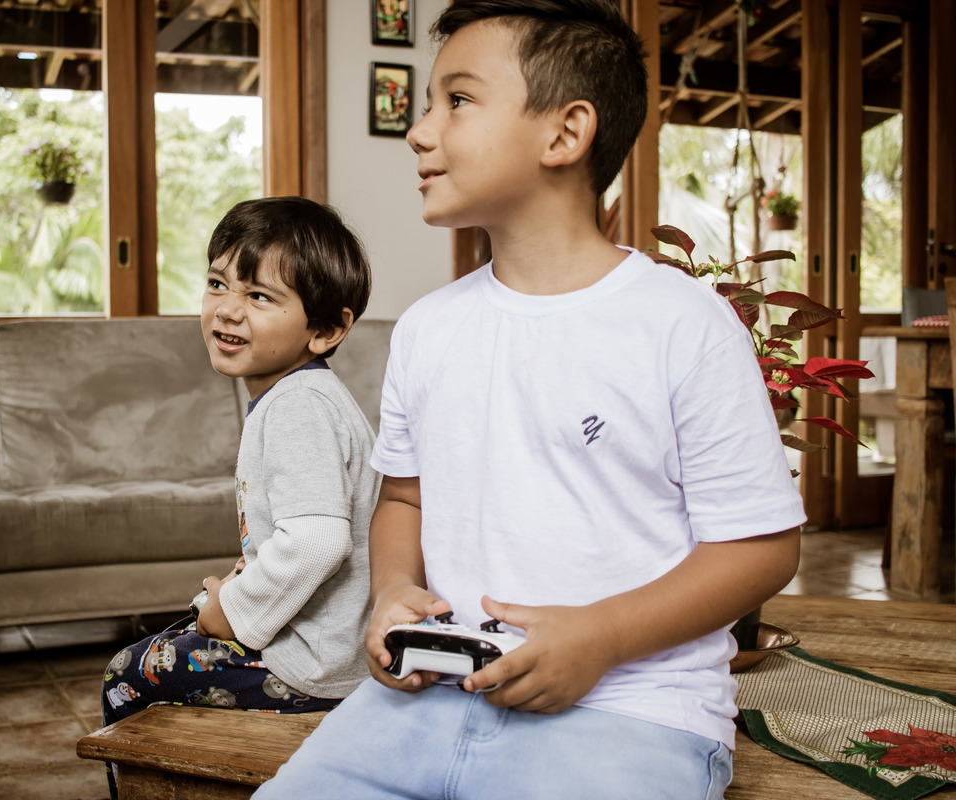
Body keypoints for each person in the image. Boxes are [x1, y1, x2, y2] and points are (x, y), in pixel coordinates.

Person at [254, 2, 804, 798]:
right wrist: (393, 590)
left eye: (457, 100)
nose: (419, 131)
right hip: (423, 700)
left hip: (632, 715)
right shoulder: (427, 329)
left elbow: (762, 548)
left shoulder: (684, 324)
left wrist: (602, 637)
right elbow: (403, 499)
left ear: (565, 133)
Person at [100, 196, 379, 798]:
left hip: (312, 668)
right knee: (179, 633)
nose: (227, 309)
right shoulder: (301, 396)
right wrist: (238, 583)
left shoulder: (297, 406)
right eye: (217, 284)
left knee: (130, 673)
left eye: (259, 296)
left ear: (326, 330)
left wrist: (231, 611)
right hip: (323, 649)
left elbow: (317, 540)